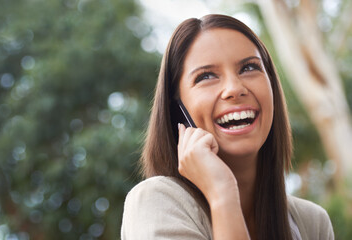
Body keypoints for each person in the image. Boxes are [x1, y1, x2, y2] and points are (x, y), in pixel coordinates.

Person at [121, 14, 334, 240]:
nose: (234, 88)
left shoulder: (313, 223)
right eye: (206, 76)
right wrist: (222, 192)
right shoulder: (156, 202)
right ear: (178, 108)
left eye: (249, 68)